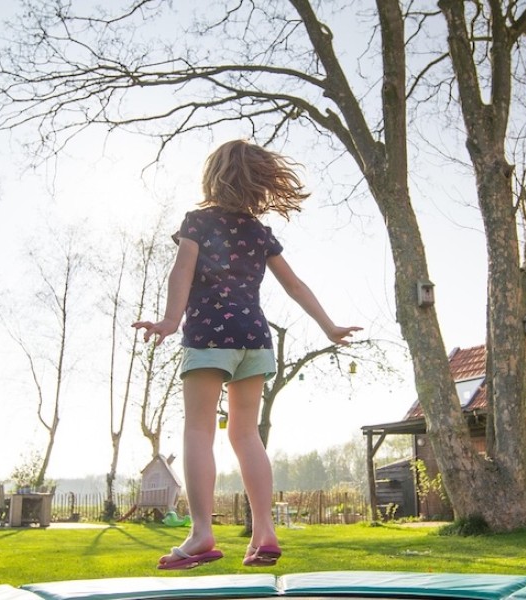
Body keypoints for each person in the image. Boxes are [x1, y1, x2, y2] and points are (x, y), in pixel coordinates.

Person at [133, 140, 360, 570]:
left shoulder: (198, 222)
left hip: (209, 337)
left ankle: (201, 532)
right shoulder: (259, 232)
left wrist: (169, 320)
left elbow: (181, 271)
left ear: (214, 177)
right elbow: (295, 285)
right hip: (254, 338)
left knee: (198, 430)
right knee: (245, 434)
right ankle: (265, 532)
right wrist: (328, 326)